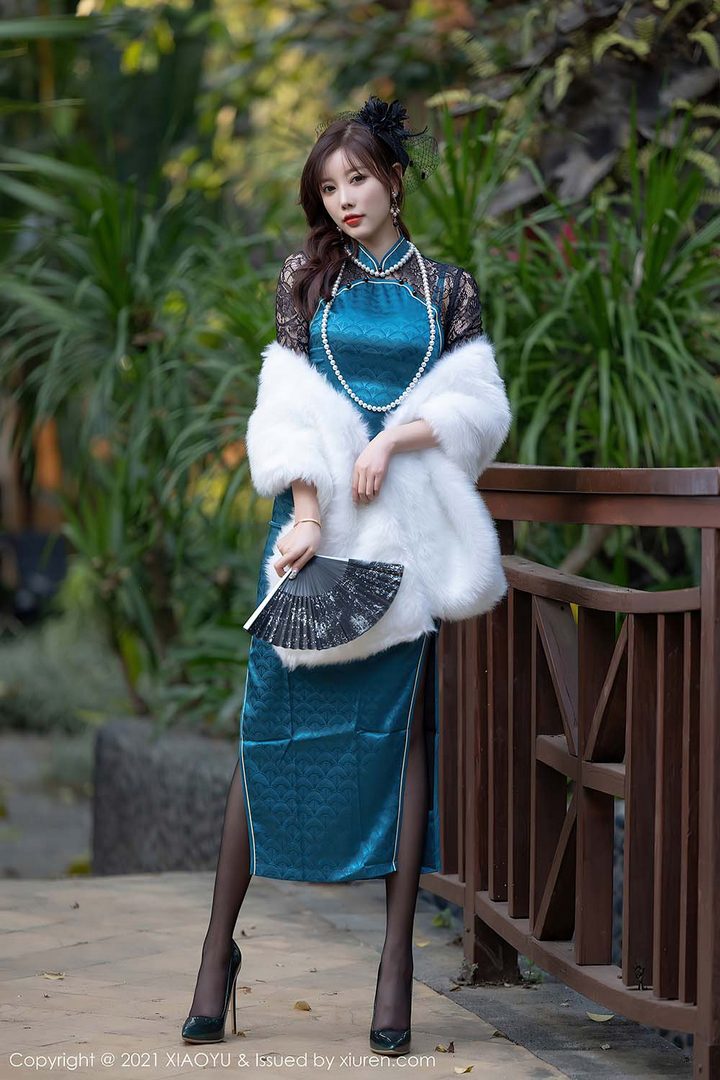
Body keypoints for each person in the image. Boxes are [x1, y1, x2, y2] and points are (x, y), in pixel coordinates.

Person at [181, 95, 512, 1057]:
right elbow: (284, 403)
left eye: (358, 178)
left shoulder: (447, 290)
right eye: (328, 188)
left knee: (400, 736)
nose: (344, 200)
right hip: (316, 532)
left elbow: (479, 408)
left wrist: (397, 439)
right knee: (265, 728)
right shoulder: (306, 280)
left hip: (400, 535)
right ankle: (216, 953)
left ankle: (395, 964)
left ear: (393, 181)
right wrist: (310, 508)